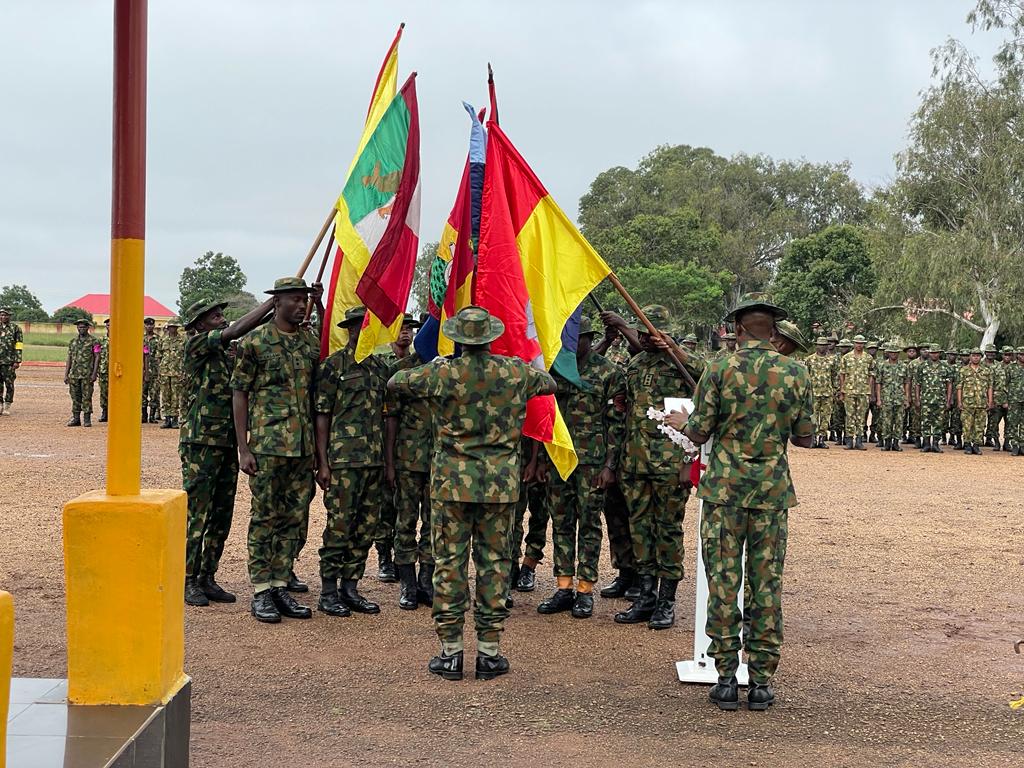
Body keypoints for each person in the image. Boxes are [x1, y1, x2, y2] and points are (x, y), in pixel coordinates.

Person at [388, 306, 556, 681]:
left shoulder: (441, 372)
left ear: (459, 339)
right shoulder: (514, 373)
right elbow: (550, 383)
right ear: (491, 338)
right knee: (495, 565)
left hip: (451, 485)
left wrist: (440, 364)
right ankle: (489, 653)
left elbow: (396, 382)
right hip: (499, 486)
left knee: (448, 564)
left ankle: (450, 653)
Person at [668, 292, 813, 712]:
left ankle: (727, 677)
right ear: (773, 329)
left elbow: (698, 433)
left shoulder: (718, 369)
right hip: (771, 492)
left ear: (738, 329)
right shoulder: (795, 373)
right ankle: (763, 681)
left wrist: (683, 422)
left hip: (725, 492)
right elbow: (804, 437)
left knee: (724, 582)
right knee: (766, 585)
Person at [601, 305, 703, 629]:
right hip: (635, 465)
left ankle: (666, 601)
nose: (644, 338)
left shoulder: (679, 362)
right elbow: (621, 415)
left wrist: (675, 349)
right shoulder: (634, 365)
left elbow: (706, 378)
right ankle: (645, 597)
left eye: (650, 332)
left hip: (670, 465)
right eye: (641, 332)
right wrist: (615, 462)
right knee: (640, 531)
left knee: (668, 531)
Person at [231, 277, 324, 624]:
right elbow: (239, 393)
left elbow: (322, 373)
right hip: (269, 447)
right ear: (277, 303)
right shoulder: (255, 343)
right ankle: (261, 590)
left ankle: (281, 582)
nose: (301, 306)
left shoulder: (307, 343)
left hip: (302, 448)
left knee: (294, 518)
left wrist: (322, 302)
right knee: (265, 518)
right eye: (295, 300)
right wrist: (244, 447)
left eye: (304, 300)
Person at [180, 295, 274, 607]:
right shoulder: (196, 346)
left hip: (226, 442)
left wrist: (274, 308)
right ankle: (187, 578)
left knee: (221, 513)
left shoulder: (225, 352)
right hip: (201, 443)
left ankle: (208, 575)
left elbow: (244, 330)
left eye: (221, 313)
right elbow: (235, 331)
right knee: (197, 514)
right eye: (213, 316)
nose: (221, 318)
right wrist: (272, 303)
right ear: (198, 325)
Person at [537, 316, 625, 619]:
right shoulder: (553, 370)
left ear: (590, 338)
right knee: (560, 522)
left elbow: (617, 424)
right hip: (559, 459)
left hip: (592, 462)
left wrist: (610, 466)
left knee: (588, 524)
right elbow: (544, 418)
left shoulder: (609, 373)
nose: (572, 345)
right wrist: (539, 460)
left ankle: (585, 589)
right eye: (567, 340)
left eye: (579, 339)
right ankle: (563, 586)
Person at [314, 305, 391, 618]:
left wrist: (387, 463)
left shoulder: (379, 368)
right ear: (349, 330)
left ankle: (351, 585)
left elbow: (387, 418)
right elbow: (322, 415)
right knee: (340, 525)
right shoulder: (334, 366)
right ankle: (329, 590)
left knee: (366, 526)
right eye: (359, 327)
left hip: (372, 461)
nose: (363, 332)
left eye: (368, 327)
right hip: (344, 460)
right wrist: (323, 462)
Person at [385, 315, 434, 610]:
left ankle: (426, 582)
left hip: (440, 461)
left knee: (434, 524)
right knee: (404, 522)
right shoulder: (401, 370)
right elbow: (391, 421)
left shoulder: (447, 370)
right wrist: (389, 463)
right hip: (407, 460)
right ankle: (407, 583)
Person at [373, 313, 421, 583]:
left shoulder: (419, 362)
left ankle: (409, 563)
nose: (406, 333)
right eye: (401, 328)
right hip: (385, 441)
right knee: (386, 506)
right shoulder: (382, 363)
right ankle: (383, 556)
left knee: (406, 508)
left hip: (412, 446)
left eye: (410, 329)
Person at [838, 335, 875, 450]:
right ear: (854, 344)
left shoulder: (868, 358)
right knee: (849, 415)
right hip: (849, 390)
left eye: (861, 343)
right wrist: (842, 390)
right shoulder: (846, 357)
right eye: (857, 343)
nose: (859, 345)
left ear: (864, 344)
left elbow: (871, 376)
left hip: (863, 391)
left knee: (861, 416)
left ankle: (859, 440)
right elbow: (842, 374)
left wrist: (869, 390)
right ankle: (849, 440)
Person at [917, 345, 952, 453]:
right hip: (926, 400)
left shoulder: (945, 367)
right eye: (932, 353)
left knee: (939, 423)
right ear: (929, 354)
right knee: (926, 422)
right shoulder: (922, 366)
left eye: (936, 352)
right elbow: (917, 384)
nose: (934, 354)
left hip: (940, 400)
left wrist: (948, 399)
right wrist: (918, 399)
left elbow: (949, 384)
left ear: (939, 353)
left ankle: (936, 444)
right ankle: (926, 444)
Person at [957, 348, 993, 456]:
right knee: (967, 425)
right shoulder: (963, 370)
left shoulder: (986, 370)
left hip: (981, 403)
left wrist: (990, 400)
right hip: (967, 402)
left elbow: (989, 387)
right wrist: (959, 402)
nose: (976, 357)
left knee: (980, 425)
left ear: (981, 357)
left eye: (978, 355)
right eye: (973, 355)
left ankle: (976, 445)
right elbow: (959, 387)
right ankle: (967, 444)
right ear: (970, 357)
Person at [64, 318, 99, 427]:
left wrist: (94, 373)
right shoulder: (73, 342)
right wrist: (66, 374)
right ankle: (76, 418)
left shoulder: (94, 341)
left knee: (87, 396)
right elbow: (69, 358)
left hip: (87, 374)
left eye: (83, 327)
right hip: (74, 374)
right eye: (79, 327)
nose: (81, 329)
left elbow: (97, 357)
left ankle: (87, 419)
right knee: (75, 396)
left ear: (88, 328)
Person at [875, 344, 910, 452]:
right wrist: (879, 399)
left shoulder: (904, 366)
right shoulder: (882, 366)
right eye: (891, 352)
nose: (893, 354)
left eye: (895, 353)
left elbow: (906, 383)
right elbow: (878, 383)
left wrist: (906, 398)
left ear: (898, 354)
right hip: (886, 398)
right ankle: (887, 442)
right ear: (888, 353)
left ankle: (896, 443)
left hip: (899, 398)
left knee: (899, 421)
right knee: (886, 421)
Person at [806, 337, 836, 449]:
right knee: (812, 417)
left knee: (825, 417)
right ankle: (813, 438)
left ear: (827, 346)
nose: (822, 347)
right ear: (816, 346)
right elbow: (806, 376)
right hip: (813, 393)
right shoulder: (810, 359)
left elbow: (835, 376)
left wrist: (836, 390)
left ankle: (822, 439)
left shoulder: (832, 360)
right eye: (820, 345)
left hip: (827, 393)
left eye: (824, 345)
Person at [158, 319, 185, 429]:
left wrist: (183, 371)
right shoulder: (163, 340)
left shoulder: (182, 340)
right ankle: (167, 418)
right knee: (165, 395)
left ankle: (175, 419)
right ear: (167, 328)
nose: (172, 328)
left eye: (174, 327)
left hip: (177, 372)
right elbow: (159, 356)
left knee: (175, 396)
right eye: (170, 327)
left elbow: (185, 357)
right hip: (164, 372)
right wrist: (160, 370)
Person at [988, 346, 1014, 450]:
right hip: (997, 400)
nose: (1007, 356)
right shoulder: (995, 368)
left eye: (1009, 355)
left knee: (1010, 423)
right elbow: (990, 384)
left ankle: (1007, 443)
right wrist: (990, 400)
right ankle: (997, 442)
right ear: (1002, 355)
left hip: (1011, 400)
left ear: (1012, 356)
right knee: (994, 423)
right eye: (1005, 354)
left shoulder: (1015, 367)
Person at [0, 307, 24, 415]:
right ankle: (0, 405)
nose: (3, 317)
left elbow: (19, 344)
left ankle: (7, 405)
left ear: (9, 316)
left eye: (5, 315)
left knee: (9, 384)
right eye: (1, 315)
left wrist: (17, 360)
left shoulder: (15, 328)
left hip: (9, 362)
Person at [903, 343, 923, 446]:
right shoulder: (909, 364)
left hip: (924, 395)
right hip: (910, 393)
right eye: (910, 351)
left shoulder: (926, 363)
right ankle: (903, 435)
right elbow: (908, 381)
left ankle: (914, 435)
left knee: (916, 417)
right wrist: (908, 395)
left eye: (913, 351)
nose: (912, 353)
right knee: (905, 416)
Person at [142, 317, 161, 423]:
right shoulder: (140, 339)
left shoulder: (158, 339)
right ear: (144, 326)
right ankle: (144, 415)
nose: (149, 326)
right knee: (142, 393)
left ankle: (152, 416)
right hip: (142, 371)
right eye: (147, 324)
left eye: (151, 325)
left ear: (154, 326)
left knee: (154, 393)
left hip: (154, 371)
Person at [1006, 347, 1024, 456]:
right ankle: (1015, 444)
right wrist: (1005, 400)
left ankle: (1022, 444)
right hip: (1014, 399)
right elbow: (1005, 384)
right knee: (1013, 422)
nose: (1023, 357)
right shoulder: (1011, 368)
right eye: (1021, 354)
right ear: (1017, 355)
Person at [97, 319, 110, 422]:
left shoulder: (120, 338)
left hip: (116, 371)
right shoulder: (101, 340)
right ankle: (105, 412)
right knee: (104, 392)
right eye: (108, 325)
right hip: (104, 370)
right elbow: (97, 355)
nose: (109, 327)